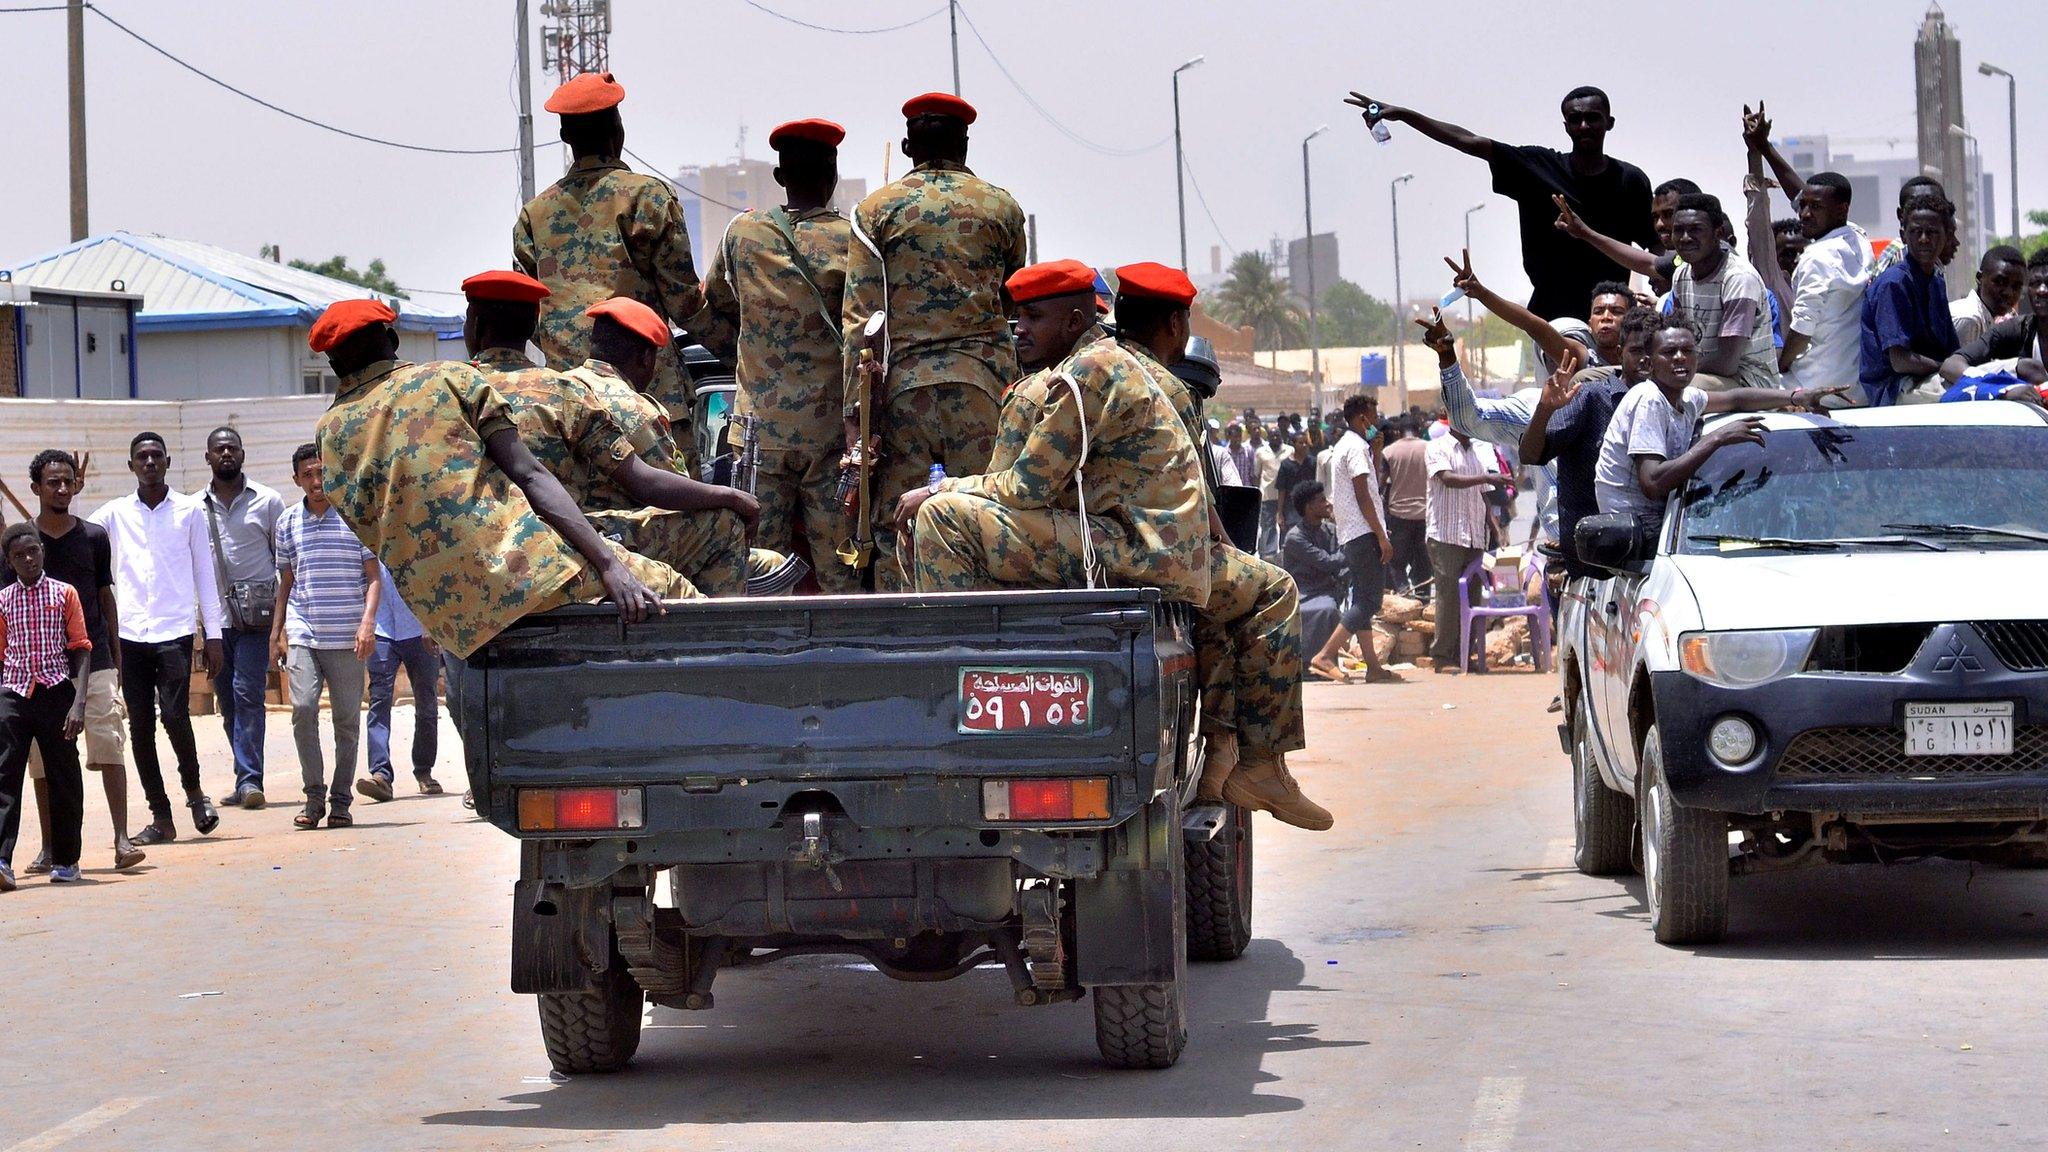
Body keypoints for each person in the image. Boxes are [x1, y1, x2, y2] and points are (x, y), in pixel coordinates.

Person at [311, 299, 685, 668]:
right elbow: (530, 474)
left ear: (334, 363)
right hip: (530, 573)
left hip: (455, 620)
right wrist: (608, 565)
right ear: (392, 341)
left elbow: (368, 528)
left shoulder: (328, 434)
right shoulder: (447, 378)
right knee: (672, 587)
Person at [467, 277, 753, 596]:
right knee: (724, 525)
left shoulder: (451, 393)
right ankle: (721, 639)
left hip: (481, 552)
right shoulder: (564, 393)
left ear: (475, 328)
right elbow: (647, 482)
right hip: (568, 544)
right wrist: (730, 497)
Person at [845, 92, 1027, 591]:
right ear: (965, 145)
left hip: (905, 395)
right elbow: (1014, 300)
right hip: (985, 390)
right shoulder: (1004, 208)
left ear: (907, 146)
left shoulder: (874, 210)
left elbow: (862, 321)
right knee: (988, 516)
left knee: (896, 529)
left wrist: (855, 421)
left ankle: (901, 650)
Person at [693, 118, 859, 591]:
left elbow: (715, 305)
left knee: (758, 571)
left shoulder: (744, 234)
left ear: (780, 177)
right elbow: (869, 324)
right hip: (830, 436)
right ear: (832, 175)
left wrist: (748, 358)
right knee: (840, 572)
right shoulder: (854, 241)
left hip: (758, 435)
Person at [1349, 86, 1652, 321]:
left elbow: (1658, 250)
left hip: (1613, 317)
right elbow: (1469, 141)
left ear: (1609, 123)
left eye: (1593, 118)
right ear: (1566, 126)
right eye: (1576, 119)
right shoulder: (1538, 167)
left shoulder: (1630, 181)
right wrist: (1404, 115)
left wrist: (1666, 292)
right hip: (1550, 318)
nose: (1584, 125)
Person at [514, 70, 706, 425]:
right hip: (648, 399)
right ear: (618, 130)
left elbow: (528, 318)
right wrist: (739, 349)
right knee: (669, 482)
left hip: (570, 407)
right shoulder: (648, 197)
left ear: (564, 135)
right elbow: (685, 303)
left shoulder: (534, 215)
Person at [7, 452, 142, 874]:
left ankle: (121, 840)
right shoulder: (20, 542)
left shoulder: (94, 536)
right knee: (44, 762)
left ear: (76, 485)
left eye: (68, 481)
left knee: (108, 744)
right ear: (36, 489)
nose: (62, 489)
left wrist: (114, 655)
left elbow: (105, 595)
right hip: (34, 671)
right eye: (53, 482)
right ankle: (51, 848)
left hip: (91, 659)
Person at [90, 432, 221, 846]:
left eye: (155, 456)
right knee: (141, 727)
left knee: (176, 716)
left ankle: (196, 795)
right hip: (129, 635)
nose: (149, 462)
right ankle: (160, 815)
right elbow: (77, 534)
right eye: (141, 457)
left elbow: (205, 572)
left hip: (174, 632)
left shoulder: (189, 511)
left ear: (167, 462)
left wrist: (213, 634)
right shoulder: (113, 514)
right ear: (131, 466)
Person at [1594, 317, 1834, 524]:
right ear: (1649, 363)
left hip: (1664, 517)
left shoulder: (1685, 398)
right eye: (1669, 352)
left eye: (1688, 351)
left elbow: (1734, 399)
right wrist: (1717, 438)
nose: (1680, 358)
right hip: (1634, 530)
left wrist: (1797, 396)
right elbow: (1652, 482)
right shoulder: (1649, 399)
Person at [270, 444, 380, 831]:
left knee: (347, 722)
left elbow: (373, 578)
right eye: (308, 475)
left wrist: (367, 624)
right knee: (302, 710)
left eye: (322, 473)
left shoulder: (356, 518)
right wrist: (277, 632)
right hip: (304, 631)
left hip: (348, 636)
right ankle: (313, 795)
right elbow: (286, 583)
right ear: (296, 479)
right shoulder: (286, 523)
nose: (316, 482)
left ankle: (341, 801)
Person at [1521, 307, 1657, 580]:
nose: (1646, 360)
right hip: (1597, 576)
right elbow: (1531, 454)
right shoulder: (1591, 398)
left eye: (1654, 352)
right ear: (1619, 354)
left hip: (1658, 568)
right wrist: (1545, 410)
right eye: (1637, 351)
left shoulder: (1673, 404)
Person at [0, 522, 93, 889]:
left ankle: (67, 860)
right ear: (9, 561)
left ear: (42, 551)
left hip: (56, 692)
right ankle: (3, 860)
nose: (28, 559)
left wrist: (79, 703)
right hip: (15, 693)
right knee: (6, 776)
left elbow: (82, 647)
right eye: (19, 555)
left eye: (33, 551)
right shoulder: (4, 601)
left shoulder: (63, 594)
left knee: (64, 776)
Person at [199, 426, 285, 809]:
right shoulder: (193, 507)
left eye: (232, 448)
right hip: (217, 621)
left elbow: (284, 562)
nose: (226, 454)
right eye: (219, 450)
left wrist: (282, 625)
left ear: (243, 454)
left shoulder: (268, 501)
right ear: (208, 458)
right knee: (227, 701)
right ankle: (243, 776)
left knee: (247, 693)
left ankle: (251, 781)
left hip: (257, 620)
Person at [1311, 393, 1399, 685]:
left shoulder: (1347, 446)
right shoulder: (1355, 447)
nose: (1376, 422)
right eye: (1373, 417)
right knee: (1371, 601)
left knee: (1363, 598)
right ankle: (1325, 654)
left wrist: (1376, 452)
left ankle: (1373, 667)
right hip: (1364, 533)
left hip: (1352, 533)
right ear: (1362, 418)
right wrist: (1382, 536)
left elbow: (1369, 484)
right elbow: (1363, 496)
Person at [1663, 194, 1780, 392]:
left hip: (1749, 382)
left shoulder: (1739, 279)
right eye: (1678, 230)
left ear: (1718, 233)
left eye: (1695, 230)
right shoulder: (1681, 274)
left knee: (1666, 387)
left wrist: (1671, 368)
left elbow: (1727, 363)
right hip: (1700, 372)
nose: (1684, 238)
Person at [1858, 198, 1961, 406]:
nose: (1924, 239)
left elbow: (1952, 350)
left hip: (1927, 380)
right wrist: (1947, 367)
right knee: (1973, 394)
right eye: (1916, 232)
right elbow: (1900, 361)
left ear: (1946, 236)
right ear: (1904, 235)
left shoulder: (1936, 280)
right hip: (1895, 389)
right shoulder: (1893, 283)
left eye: (1932, 232)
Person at [1425, 426, 1508, 674]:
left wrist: (1495, 529)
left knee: (1472, 598)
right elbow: (1447, 479)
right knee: (1449, 597)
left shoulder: (1476, 453)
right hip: (1447, 534)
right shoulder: (1437, 447)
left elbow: (1483, 496)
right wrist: (1486, 478)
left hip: (1474, 537)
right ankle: (1442, 656)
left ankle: (1464, 654)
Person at [362, 562, 442, 802]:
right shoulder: (368, 538)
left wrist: (430, 623)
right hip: (382, 631)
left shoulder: (418, 532)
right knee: (379, 702)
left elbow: (435, 577)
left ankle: (424, 771)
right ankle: (381, 775)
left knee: (427, 704)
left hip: (419, 631)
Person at [1939, 249, 2048, 385]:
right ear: (1980, 278)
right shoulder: (2014, 329)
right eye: (2035, 283)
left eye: (2016, 286)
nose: (2042, 290)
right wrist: (2000, 389)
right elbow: (1951, 368)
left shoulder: (2001, 319)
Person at [1279, 481, 1346, 662]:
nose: (1328, 504)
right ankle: (1313, 663)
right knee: (1327, 610)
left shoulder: (1329, 530)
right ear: (1309, 507)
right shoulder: (1295, 537)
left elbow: (1339, 562)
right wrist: (1352, 551)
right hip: (1304, 592)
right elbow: (1327, 562)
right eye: (1322, 500)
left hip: (1326, 589)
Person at [1379, 418, 1431, 599]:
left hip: (1398, 515)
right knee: (1423, 563)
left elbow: (1380, 484)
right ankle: (1423, 600)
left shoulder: (1389, 451)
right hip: (1425, 515)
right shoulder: (1430, 448)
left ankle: (1403, 595)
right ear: (1418, 430)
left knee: (1396, 562)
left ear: (1398, 433)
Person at [1948, 245, 2028, 350]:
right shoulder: (1970, 319)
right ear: (1979, 278)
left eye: (2016, 287)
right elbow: (1953, 365)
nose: (2009, 293)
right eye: (2000, 282)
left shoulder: (1989, 317)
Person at [1272, 434, 1315, 539]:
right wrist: (1280, 513)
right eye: (1301, 443)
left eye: (1306, 443)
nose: (1304, 445)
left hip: (1309, 508)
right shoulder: (1286, 465)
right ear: (1294, 444)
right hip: (1291, 509)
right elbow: (1282, 490)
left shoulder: (1312, 462)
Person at [1250, 421, 1281, 558]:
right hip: (1267, 494)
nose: (1275, 438)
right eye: (1272, 436)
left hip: (1283, 496)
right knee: (1267, 525)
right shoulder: (1261, 452)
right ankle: (1267, 554)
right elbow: (1256, 474)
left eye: (1277, 436)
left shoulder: (1289, 450)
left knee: (1282, 524)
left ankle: (1283, 551)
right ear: (1268, 437)